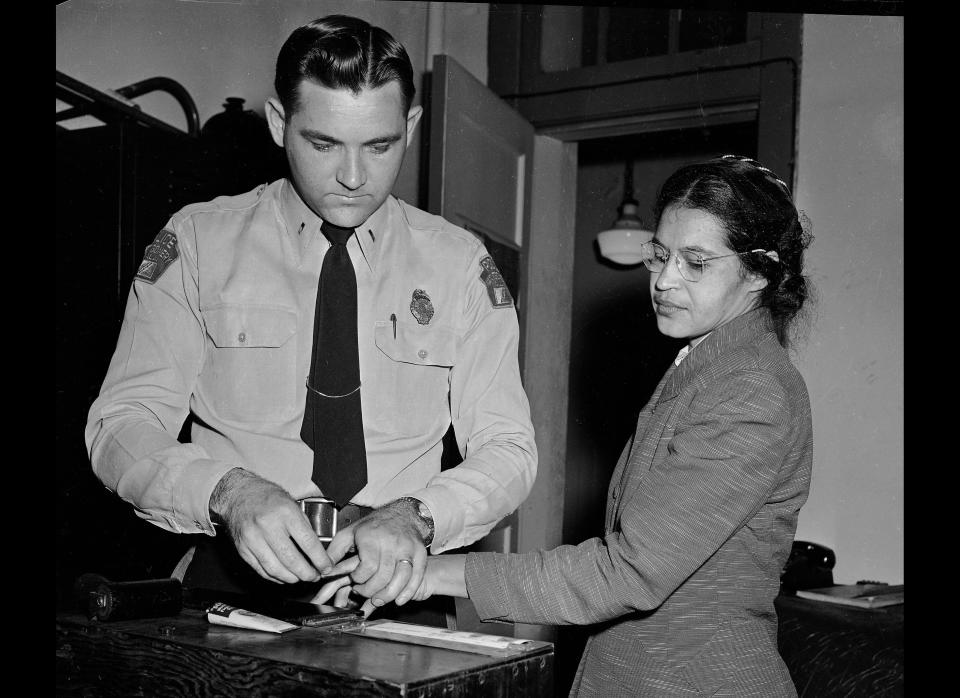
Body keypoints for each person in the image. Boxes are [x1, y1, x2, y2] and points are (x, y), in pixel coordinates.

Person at [84, 14, 537, 613]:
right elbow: (119, 424)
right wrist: (229, 492)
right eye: (322, 144)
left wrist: (419, 516)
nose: (353, 177)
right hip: (227, 586)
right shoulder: (198, 242)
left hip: (395, 588)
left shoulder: (459, 266)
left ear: (412, 126)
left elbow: (508, 448)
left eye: (380, 145)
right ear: (279, 123)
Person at [320, 154, 815, 695]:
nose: (665, 280)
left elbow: (630, 572)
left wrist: (426, 574)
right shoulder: (713, 365)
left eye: (696, 262)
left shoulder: (750, 389)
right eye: (661, 254)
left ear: (761, 273)